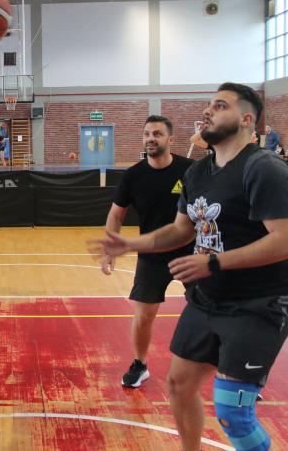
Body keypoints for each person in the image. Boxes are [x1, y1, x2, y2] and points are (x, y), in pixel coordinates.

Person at [90, 83, 288, 451]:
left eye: (219, 106)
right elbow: (181, 229)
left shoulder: (265, 169)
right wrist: (131, 244)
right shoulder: (199, 172)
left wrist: (214, 262)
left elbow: (287, 241)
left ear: (246, 119)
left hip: (259, 303)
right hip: (208, 300)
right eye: (208, 105)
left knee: (234, 415)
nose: (207, 111)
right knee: (179, 384)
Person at [102, 115, 194, 389]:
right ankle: (140, 364)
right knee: (143, 315)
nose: (150, 139)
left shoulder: (191, 170)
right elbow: (115, 214)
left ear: (170, 139)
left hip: (192, 253)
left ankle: (228, 371)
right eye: (146, 134)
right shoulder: (133, 175)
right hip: (152, 256)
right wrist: (111, 248)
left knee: (213, 311)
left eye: (157, 134)